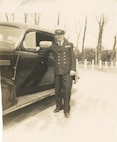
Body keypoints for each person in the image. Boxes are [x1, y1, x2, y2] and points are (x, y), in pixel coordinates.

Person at [40, 25, 76, 118]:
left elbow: (73, 58)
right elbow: (45, 51)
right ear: (56, 36)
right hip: (57, 72)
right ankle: (59, 106)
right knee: (57, 90)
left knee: (67, 91)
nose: (59, 36)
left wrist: (73, 70)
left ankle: (66, 110)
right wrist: (38, 48)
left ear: (64, 35)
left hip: (67, 72)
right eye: (57, 34)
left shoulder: (69, 45)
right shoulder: (53, 46)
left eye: (61, 34)